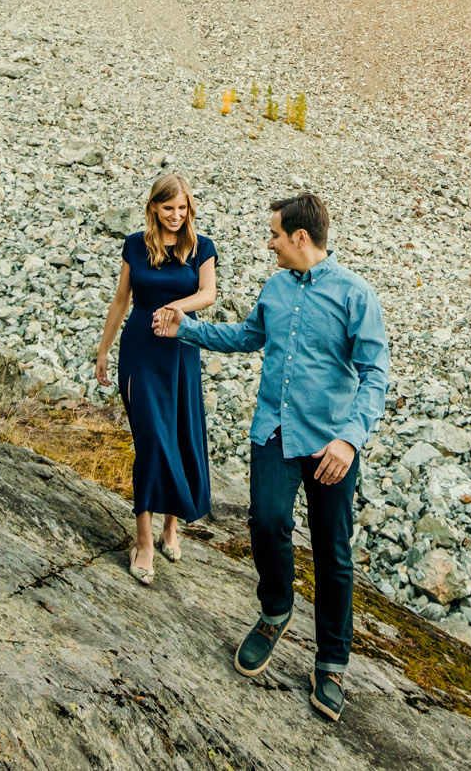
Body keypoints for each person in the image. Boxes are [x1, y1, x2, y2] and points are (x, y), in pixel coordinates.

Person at [153, 192, 388, 723]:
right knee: (266, 522)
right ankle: (275, 610)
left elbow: (376, 377)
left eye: (275, 235)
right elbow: (247, 336)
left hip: (332, 445)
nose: (270, 243)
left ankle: (330, 662)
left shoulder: (356, 295)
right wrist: (184, 328)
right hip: (274, 431)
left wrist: (350, 440)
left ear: (300, 238)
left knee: (333, 555)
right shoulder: (277, 287)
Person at [97, 172, 217, 584]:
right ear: (153, 207)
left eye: (183, 209)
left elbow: (208, 294)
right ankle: (144, 539)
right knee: (151, 438)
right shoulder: (134, 244)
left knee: (179, 433)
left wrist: (174, 308)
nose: (176, 216)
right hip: (139, 352)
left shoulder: (202, 247)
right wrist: (103, 349)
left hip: (180, 351)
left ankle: (171, 526)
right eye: (168, 208)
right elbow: (121, 299)